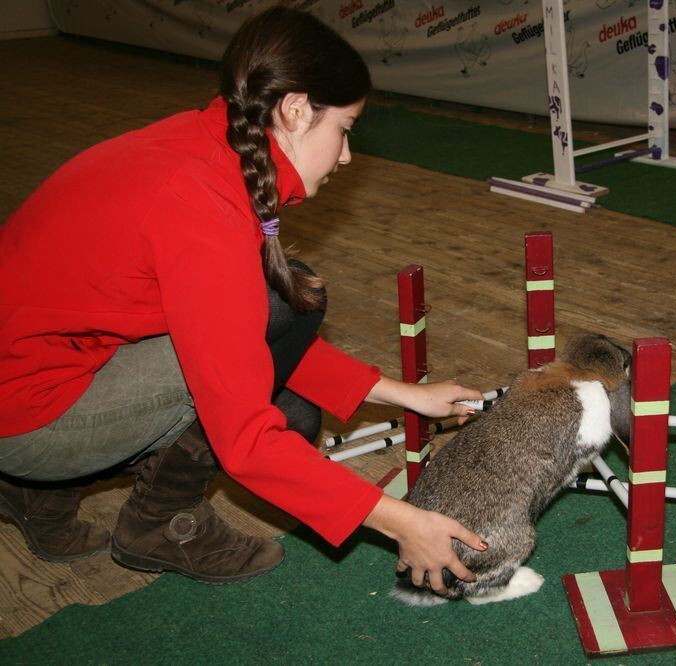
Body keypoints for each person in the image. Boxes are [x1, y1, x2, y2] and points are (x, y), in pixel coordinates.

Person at [0, 6, 487, 594]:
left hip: (40, 375)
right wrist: (403, 522)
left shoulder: (207, 143)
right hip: (27, 417)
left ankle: (37, 492)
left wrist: (401, 394)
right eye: (346, 130)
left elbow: (229, 332)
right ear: (297, 109)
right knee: (285, 321)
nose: (347, 156)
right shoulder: (201, 208)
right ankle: (151, 524)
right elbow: (244, 435)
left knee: (298, 409)